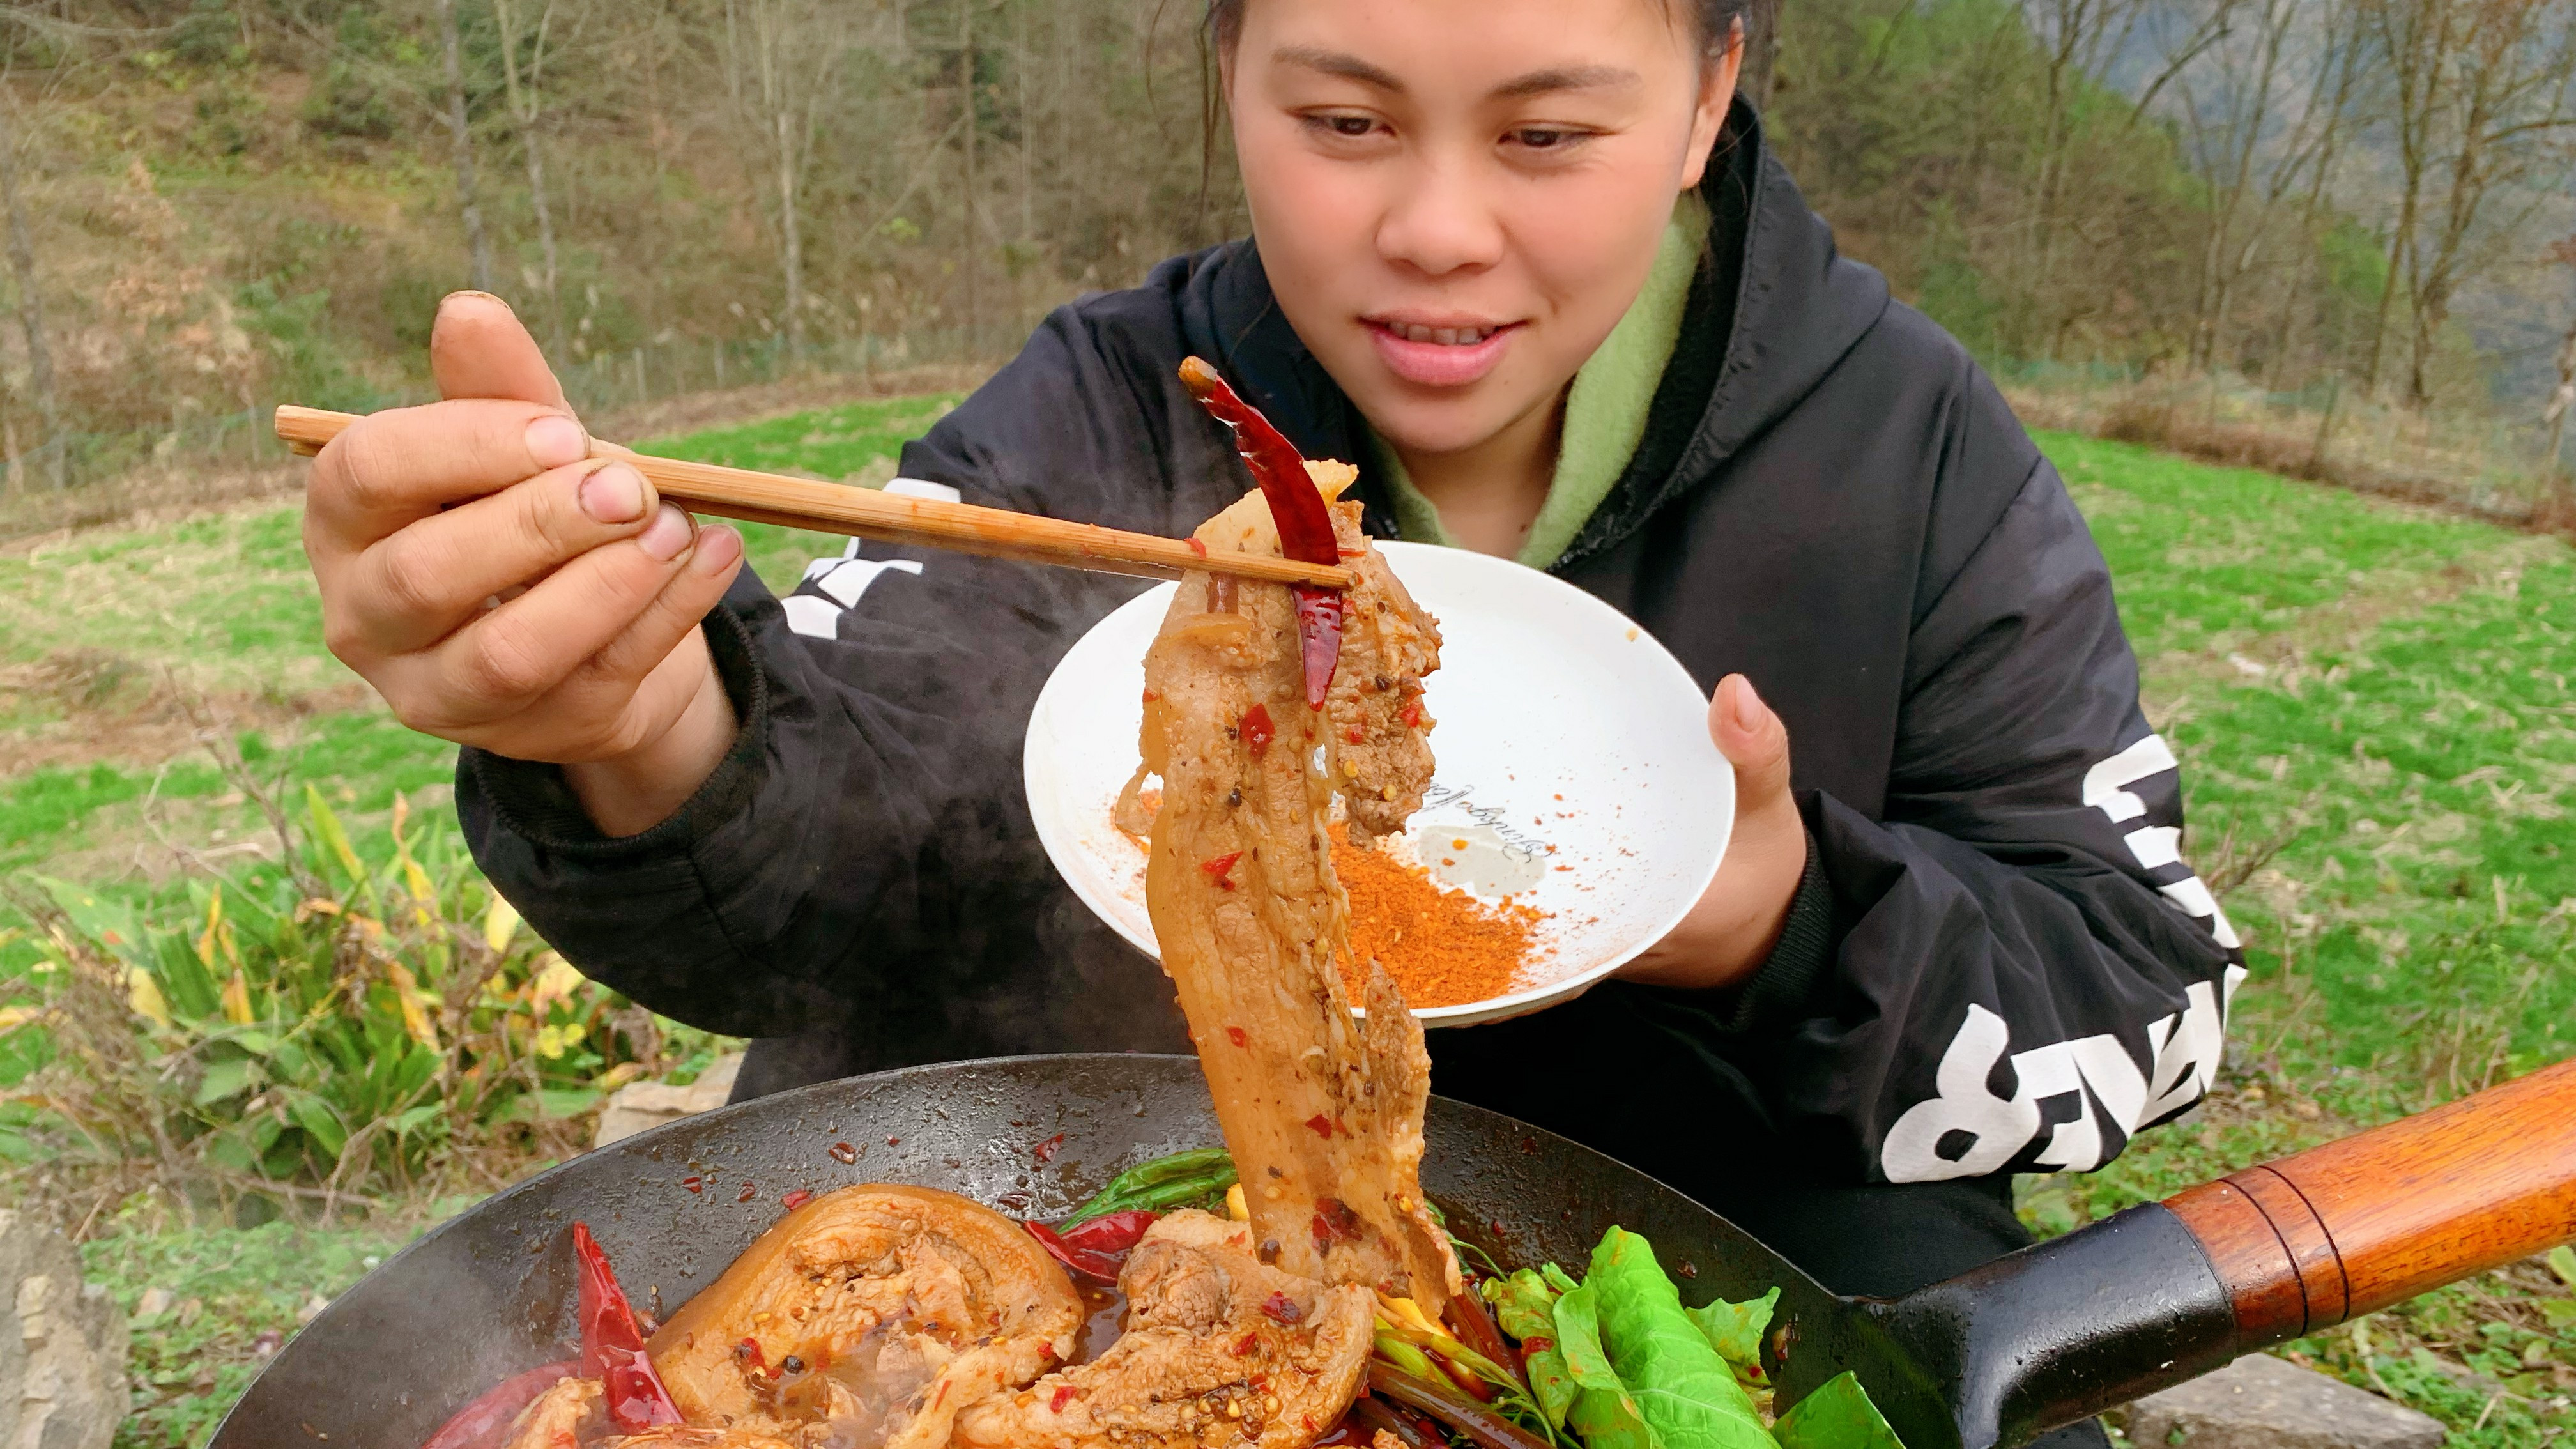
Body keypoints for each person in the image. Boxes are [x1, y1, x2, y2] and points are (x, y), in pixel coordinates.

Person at [302, 3, 2240, 1443]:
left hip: (1691, 1280)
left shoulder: (1916, 460)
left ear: (1712, 92)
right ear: (1224, 69)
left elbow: (2144, 996)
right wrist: (641, 726)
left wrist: (1787, 921)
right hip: (1098, 1279)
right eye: (1343, 117)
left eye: (1550, 133)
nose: (1438, 230)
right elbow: (827, 841)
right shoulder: (1095, 409)